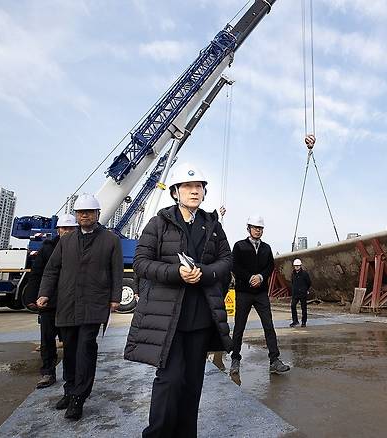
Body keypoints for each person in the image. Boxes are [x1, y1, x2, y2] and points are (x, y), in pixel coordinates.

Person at [124, 162, 233, 438]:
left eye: (199, 187)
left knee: (193, 383)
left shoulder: (213, 226)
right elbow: (140, 263)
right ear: (175, 192)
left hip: (199, 318)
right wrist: (176, 272)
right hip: (168, 318)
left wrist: (205, 273)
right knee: (169, 380)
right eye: (188, 186)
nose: (194, 191)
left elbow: (226, 261)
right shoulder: (159, 222)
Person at [37, 194, 123, 421]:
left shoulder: (110, 240)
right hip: (67, 303)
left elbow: (116, 271)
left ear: (97, 214)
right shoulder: (65, 241)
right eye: (80, 212)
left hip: (94, 304)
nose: (84, 215)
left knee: (85, 348)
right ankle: (70, 389)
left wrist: (115, 298)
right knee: (70, 348)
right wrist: (44, 293)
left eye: (88, 212)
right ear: (76, 215)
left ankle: (79, 398)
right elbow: (52, 270)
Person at [23, 213, 78, 389]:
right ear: (58, 230)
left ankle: (71, 376)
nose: (67, 231)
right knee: (47, 339)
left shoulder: (81, 248)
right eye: (64, 228)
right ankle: (48, 372)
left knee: (71, 341)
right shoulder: (47, 249)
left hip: (70, 303)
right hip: (49, 303)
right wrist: (32, 297)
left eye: (71, 228)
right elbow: (37, 273)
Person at [230, 215, 290, 376]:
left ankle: (274, 360)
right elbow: (235, 265)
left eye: (260, 228)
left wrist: (261, 277)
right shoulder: (239, 246)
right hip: (244, 292)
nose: (258, 230)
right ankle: (235, 359)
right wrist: (250, 277)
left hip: (261, 293)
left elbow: (270, 265)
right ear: (248, 228)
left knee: (269, 326)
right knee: (239, 327)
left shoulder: (266, 248)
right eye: (255, 227)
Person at [290, 258, 311, 328]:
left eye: (298, 266)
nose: (297, 267)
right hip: (295, 294)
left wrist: (305, 289)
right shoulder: (293, 274)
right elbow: (292, 283)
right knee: (293, 306)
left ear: (300, 266)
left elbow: (309, 282)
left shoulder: (305, 274)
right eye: (295, 266)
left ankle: (304, 322)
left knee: (304, 308)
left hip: (303, 293)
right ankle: (295, 321)